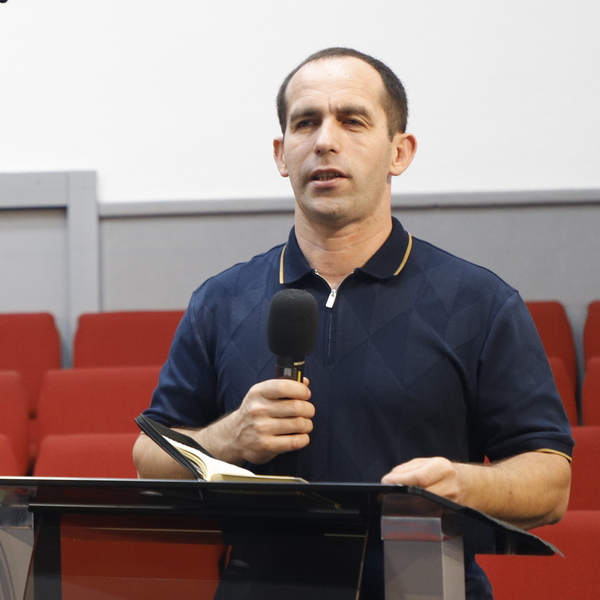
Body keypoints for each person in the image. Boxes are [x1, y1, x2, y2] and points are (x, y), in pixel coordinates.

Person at [133, 47, 573, 598]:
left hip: (422, 587)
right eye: (305, 122)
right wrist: (228, 436)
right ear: (281, 155)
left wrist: (462, 485)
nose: (325, 140)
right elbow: (149, 459)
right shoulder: (221, 301)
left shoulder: (478, 302)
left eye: (352, 120)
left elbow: (551, 481)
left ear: (399, 152)